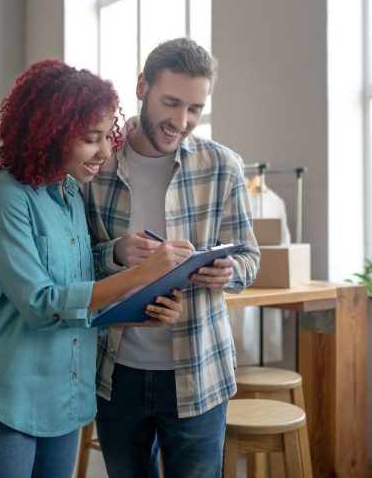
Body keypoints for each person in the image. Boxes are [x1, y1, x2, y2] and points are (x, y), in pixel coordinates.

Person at [0, 59, 194, 478]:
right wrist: (143, 274)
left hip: (63, 401)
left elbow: (82, 292)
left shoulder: (68, 194)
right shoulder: (3, 197)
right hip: (4, 401)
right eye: (89, 139)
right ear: (49, 135)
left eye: (106, 136)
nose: (104, 152)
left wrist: (144, 309)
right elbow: (44, 304)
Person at [81, 38, 261, 477]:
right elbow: (76, 262)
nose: (181, 121)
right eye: (172, 102)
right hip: (116, 370)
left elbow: (250, 258)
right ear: (142, 87)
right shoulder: (97, 165)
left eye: (196, 108)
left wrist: (227, 271)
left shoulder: (223, 167)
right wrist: (117, 253)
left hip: (199, 370)